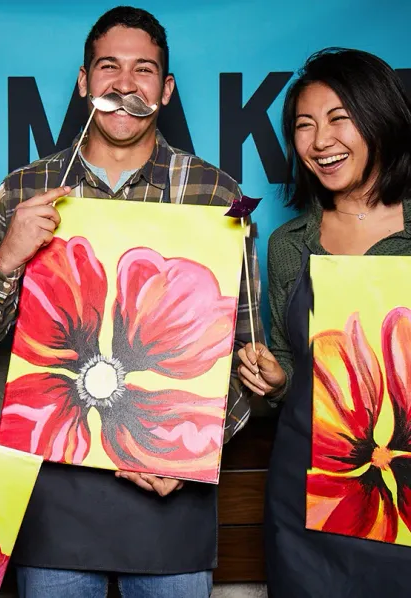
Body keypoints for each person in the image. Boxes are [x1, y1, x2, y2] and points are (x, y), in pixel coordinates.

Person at [0, 6, 263, 597]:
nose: (125, 85)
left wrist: (196, 447)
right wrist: (9, 260)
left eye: (143, 70)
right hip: (54, 491)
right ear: (83, 82)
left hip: (171, 492)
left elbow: (241, 355)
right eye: (109, 68)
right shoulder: (23, 190)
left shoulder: (216, 196)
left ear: (166, 90)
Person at [237, 48, 411, 598]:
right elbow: (294, 367)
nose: (319, 141)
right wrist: (275, 377)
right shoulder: (291, 244)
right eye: (304, 126)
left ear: (380, 117)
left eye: (339, 118)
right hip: (309, 490)